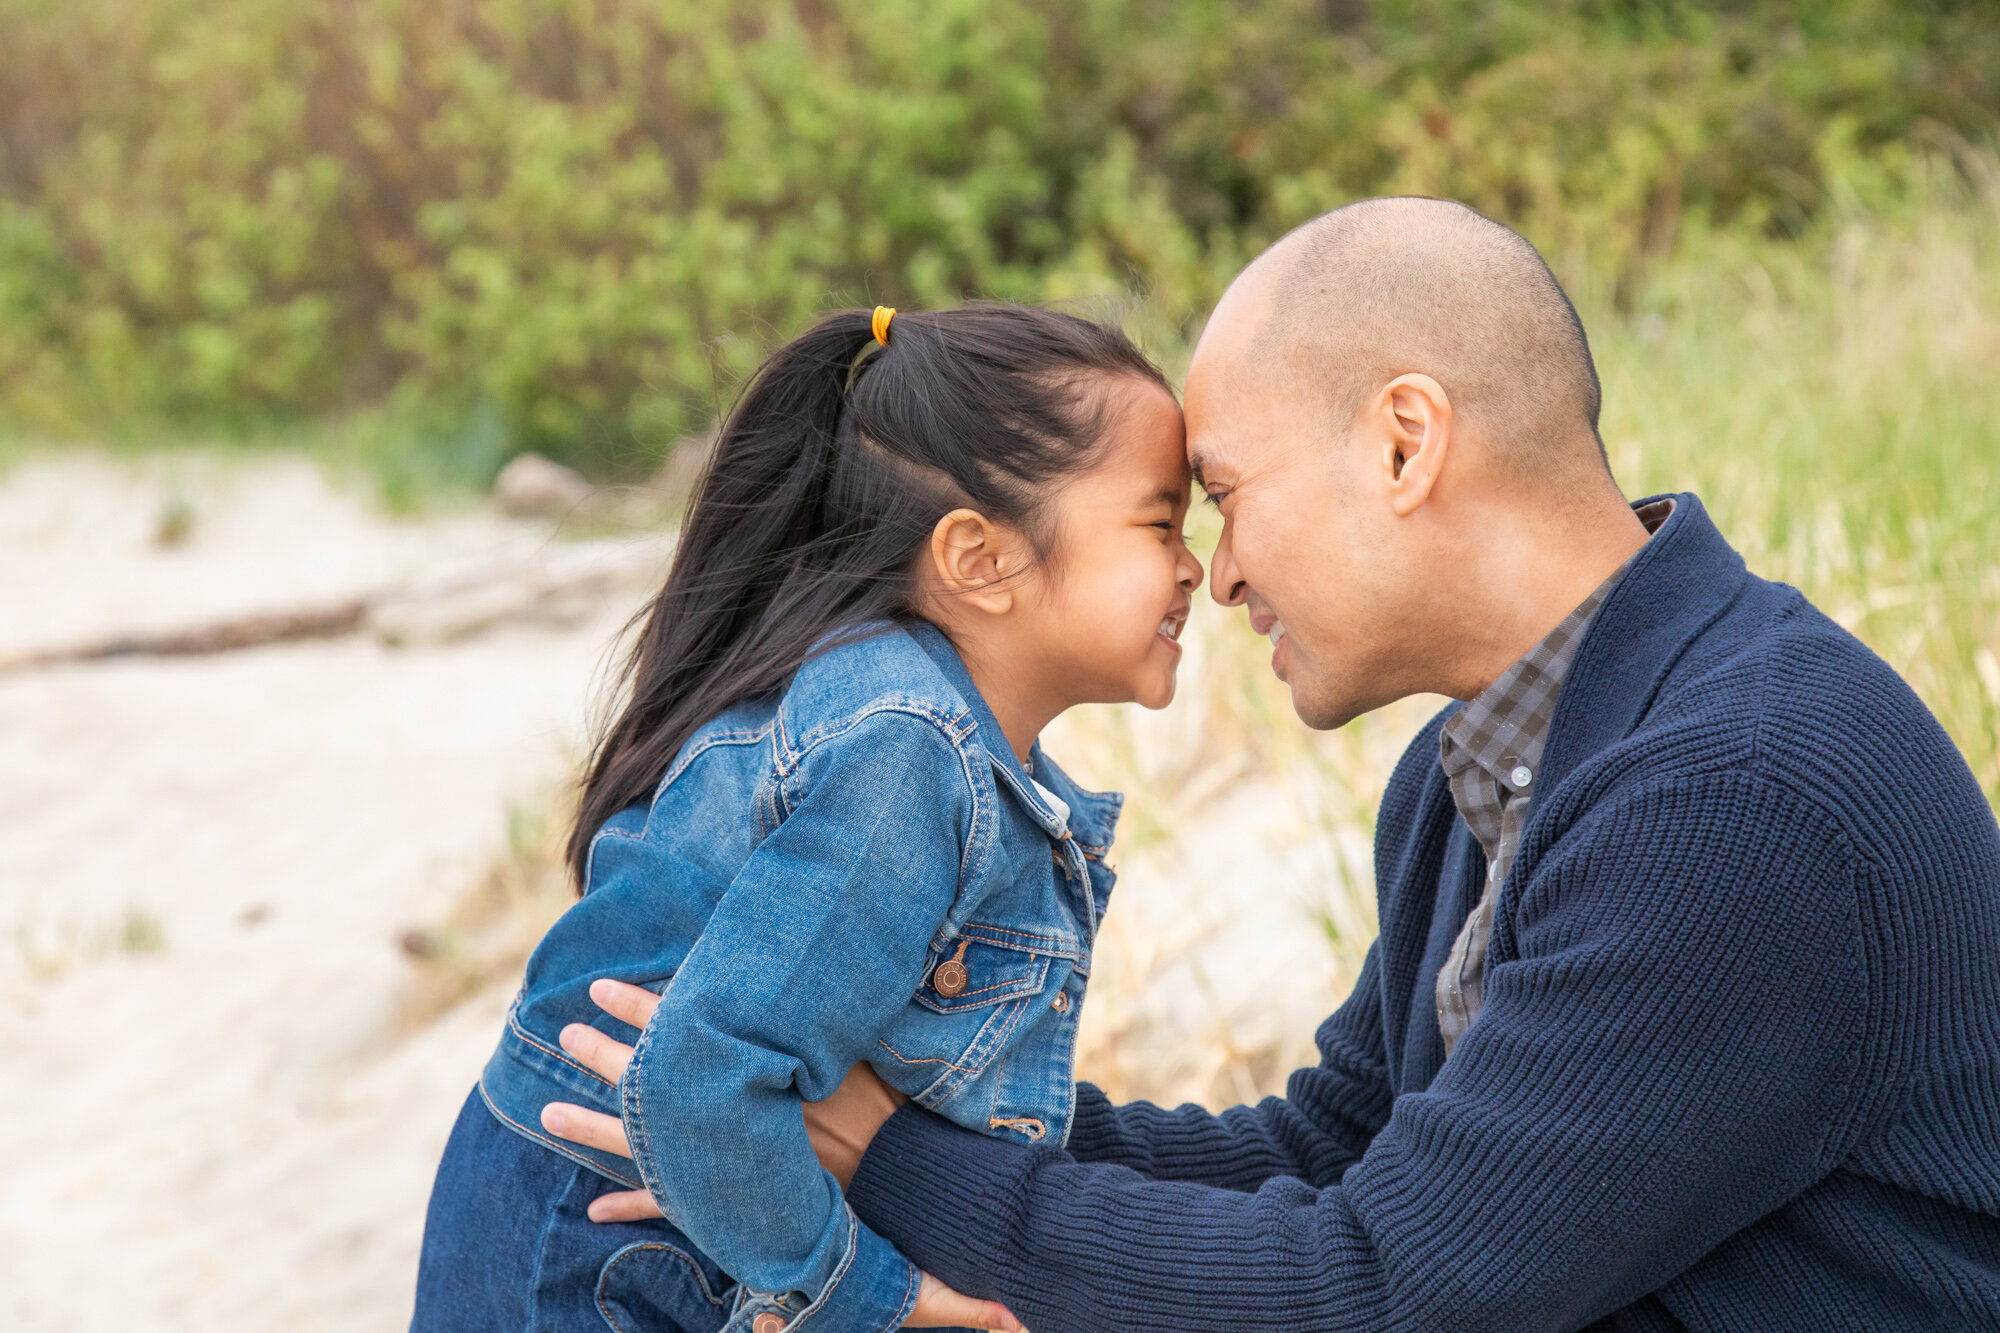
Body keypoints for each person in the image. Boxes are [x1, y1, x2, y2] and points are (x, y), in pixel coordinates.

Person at [542, 199, 2000, 1330]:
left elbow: (1377, 1293)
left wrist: (887, 1155)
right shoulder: (1473, 770)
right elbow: (1334, 1149)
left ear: (1406, 443)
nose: (1220, 576)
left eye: (1227, 496)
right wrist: (911, 1105)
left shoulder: (1741, 797)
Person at [411, 302, 1201, 1333]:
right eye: (1159, 523)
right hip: (602, 1252)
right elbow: (704, 1083)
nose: (1195, 567)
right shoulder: (907, 751)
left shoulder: (941, 740)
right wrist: (877, 1297)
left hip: (660, 1229)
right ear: (979, 558)